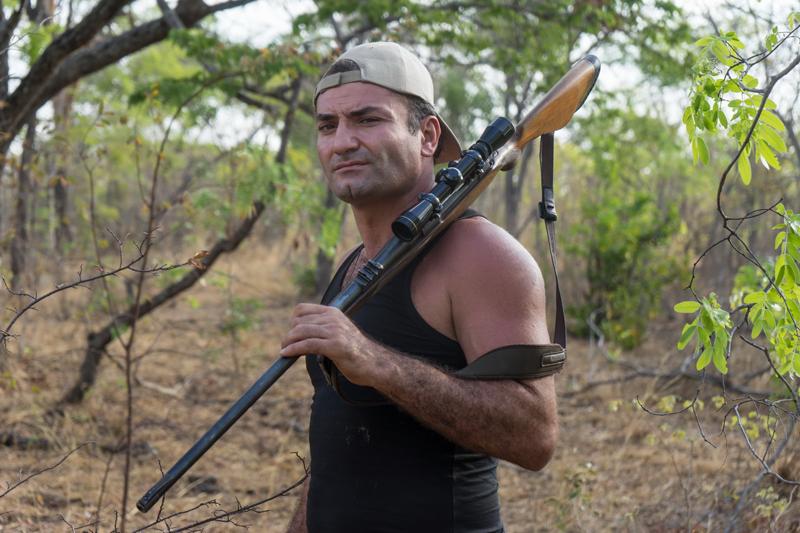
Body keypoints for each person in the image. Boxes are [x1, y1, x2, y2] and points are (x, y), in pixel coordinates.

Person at [280, 42, 559, 533]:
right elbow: (337, 449)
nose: (341, 142)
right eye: (328, 125)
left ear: (428, 135)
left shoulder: (482, 255)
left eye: (367, 120)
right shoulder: (353, 264)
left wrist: (376, 363)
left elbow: (534, 437)